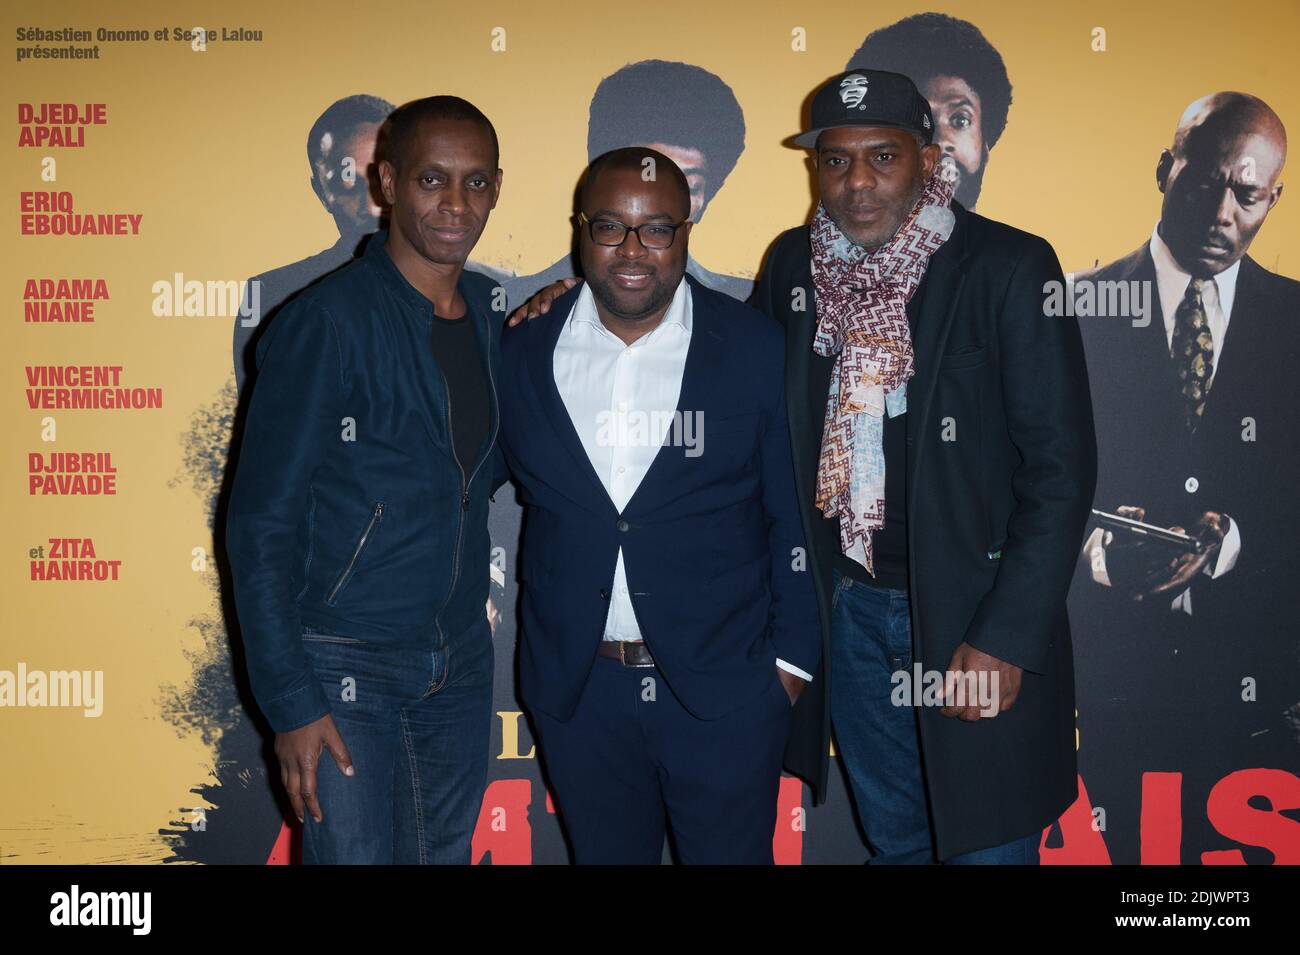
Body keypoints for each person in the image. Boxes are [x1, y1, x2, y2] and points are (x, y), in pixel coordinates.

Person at [494, 147, 820, 863]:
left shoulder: (756, 348)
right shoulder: (521, 349)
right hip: (580, 693)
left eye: (657, 228)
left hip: (727, 693)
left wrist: (789, 669)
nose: (633, 250)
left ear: (686, 232)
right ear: (580, 231)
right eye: (610, 227)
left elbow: (794, 515)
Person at [225, 95, 504, 864]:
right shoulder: (325, 322)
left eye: (476, 182)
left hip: (458, 660)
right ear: (386, 181)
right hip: (345, 662)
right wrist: (291, 700)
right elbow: (260, 523)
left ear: (498, 187)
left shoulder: (494, 315)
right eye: (433, 179)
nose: (456, 203)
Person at [1070, 91, 1300, 862]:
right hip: (1102, 683)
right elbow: (1024, 488)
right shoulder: (1070, 311)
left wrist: (1231, 540)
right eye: (1204, 180)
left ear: (1274, 198)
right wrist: (1100, 555)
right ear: (1165, 168)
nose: (1222, 210)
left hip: (1260, 696)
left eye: (1247, 192)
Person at [504, 60, 752, 305]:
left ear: (707, 197)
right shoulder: (513, 305)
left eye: (687, 186)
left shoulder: (747, 308)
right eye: (646, 176)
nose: (657, 201)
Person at [847, 13, 1013, 211]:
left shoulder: (1020, 243)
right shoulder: (812, 241)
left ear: (985, 145)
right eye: (916, 119)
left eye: (959, 120)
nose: (939, 143)